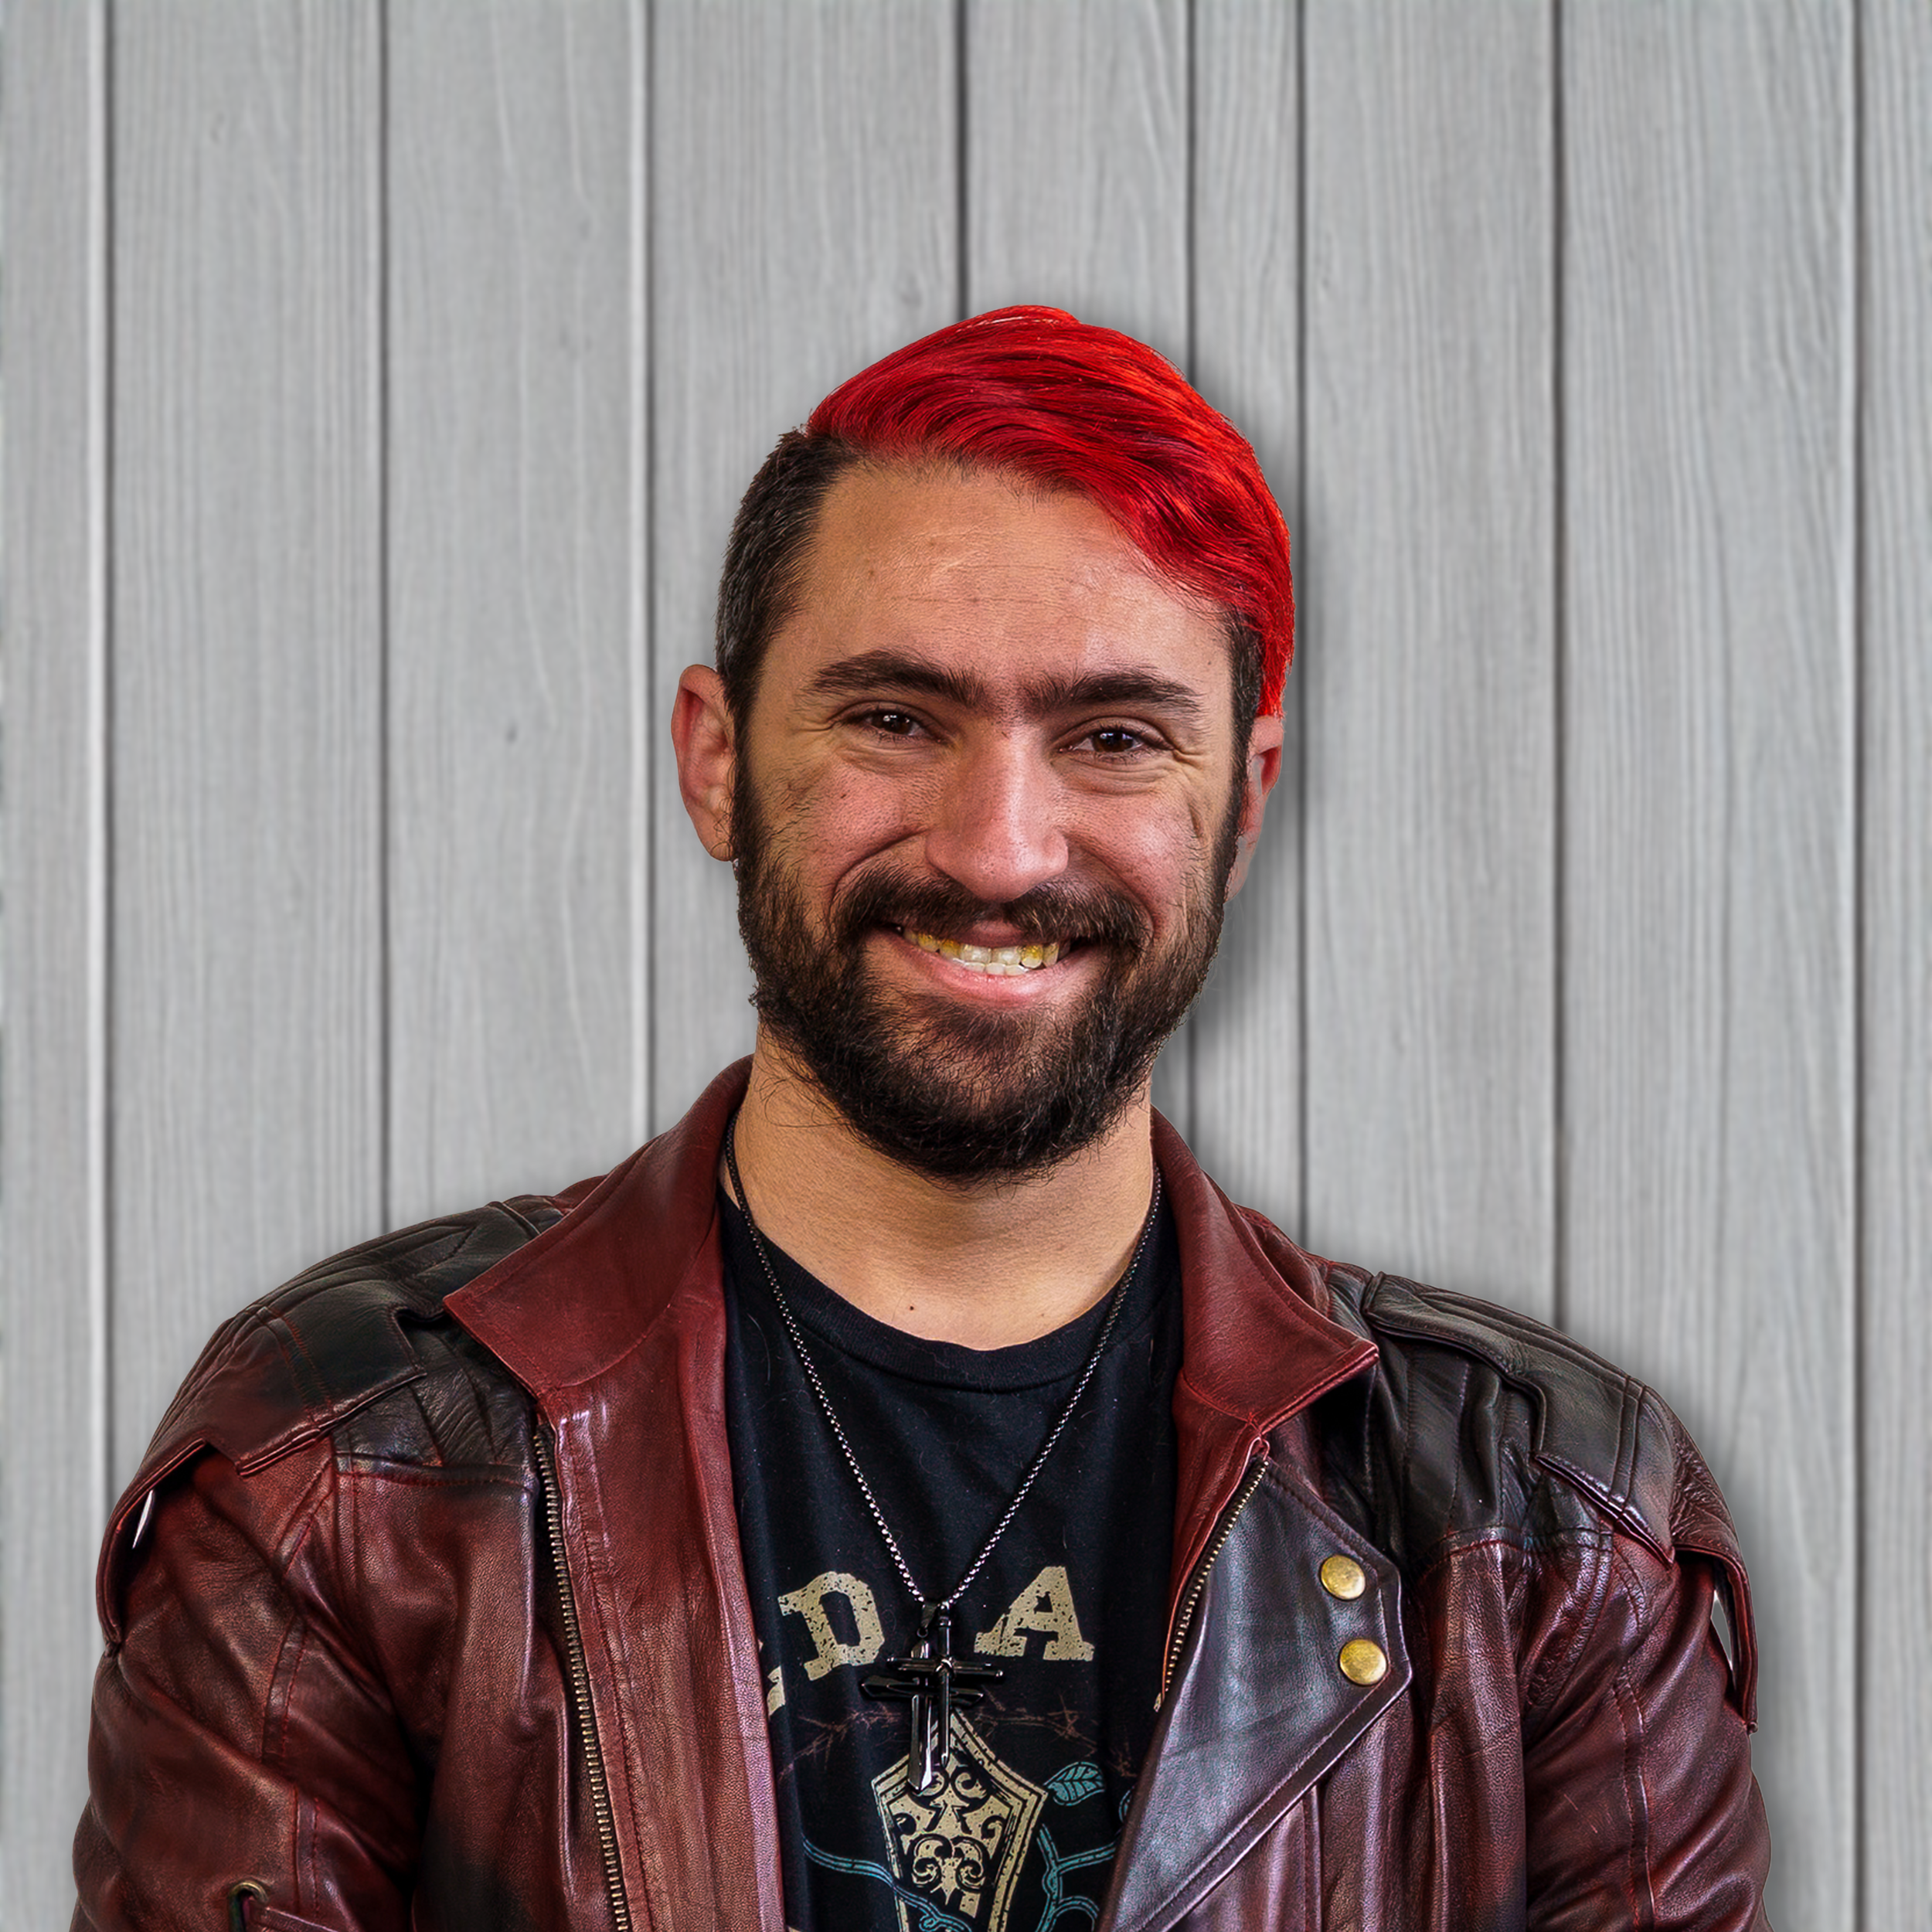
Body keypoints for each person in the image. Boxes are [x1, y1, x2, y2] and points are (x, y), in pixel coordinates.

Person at [75, 307, 1772, 1931]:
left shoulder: (1552, 1524)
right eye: (894, 719)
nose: (998, 849)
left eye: (1114, 736)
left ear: (1242, 802)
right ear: (716, 758)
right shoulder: (337, 1468)